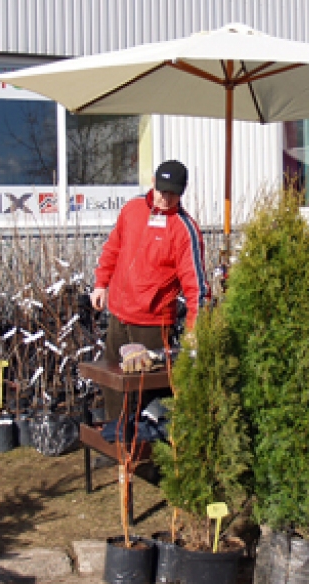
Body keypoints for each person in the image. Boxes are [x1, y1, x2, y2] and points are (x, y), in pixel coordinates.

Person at [90, 159, 208, 422]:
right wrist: (101, 283)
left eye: (173, 193)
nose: (165, 198)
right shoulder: (131, 210)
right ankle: (115, 445)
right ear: (153, 183)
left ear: (182, 192)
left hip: (153, 326)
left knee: (147, 396)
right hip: (118, 317)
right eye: (162, 190)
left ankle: (146, 455)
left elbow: (196, 288)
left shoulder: (184, 230)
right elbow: (113, 248)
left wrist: (194, 330)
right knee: (113, 387)